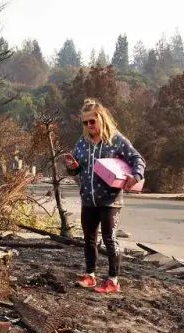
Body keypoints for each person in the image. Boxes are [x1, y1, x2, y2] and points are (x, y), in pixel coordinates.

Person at [64, 99, 146, 293]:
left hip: (110, 200)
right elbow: (76, 169)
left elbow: (138, 159)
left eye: (92, 121)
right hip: (88, 199)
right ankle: (90, 275)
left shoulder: (116, 140)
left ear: (102, 118)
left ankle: (113, 280)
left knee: (110, 239)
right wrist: (72, 167)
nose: (89, 126)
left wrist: (136, 176)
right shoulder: (82, 143)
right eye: (85, 123)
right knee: (89, 239)